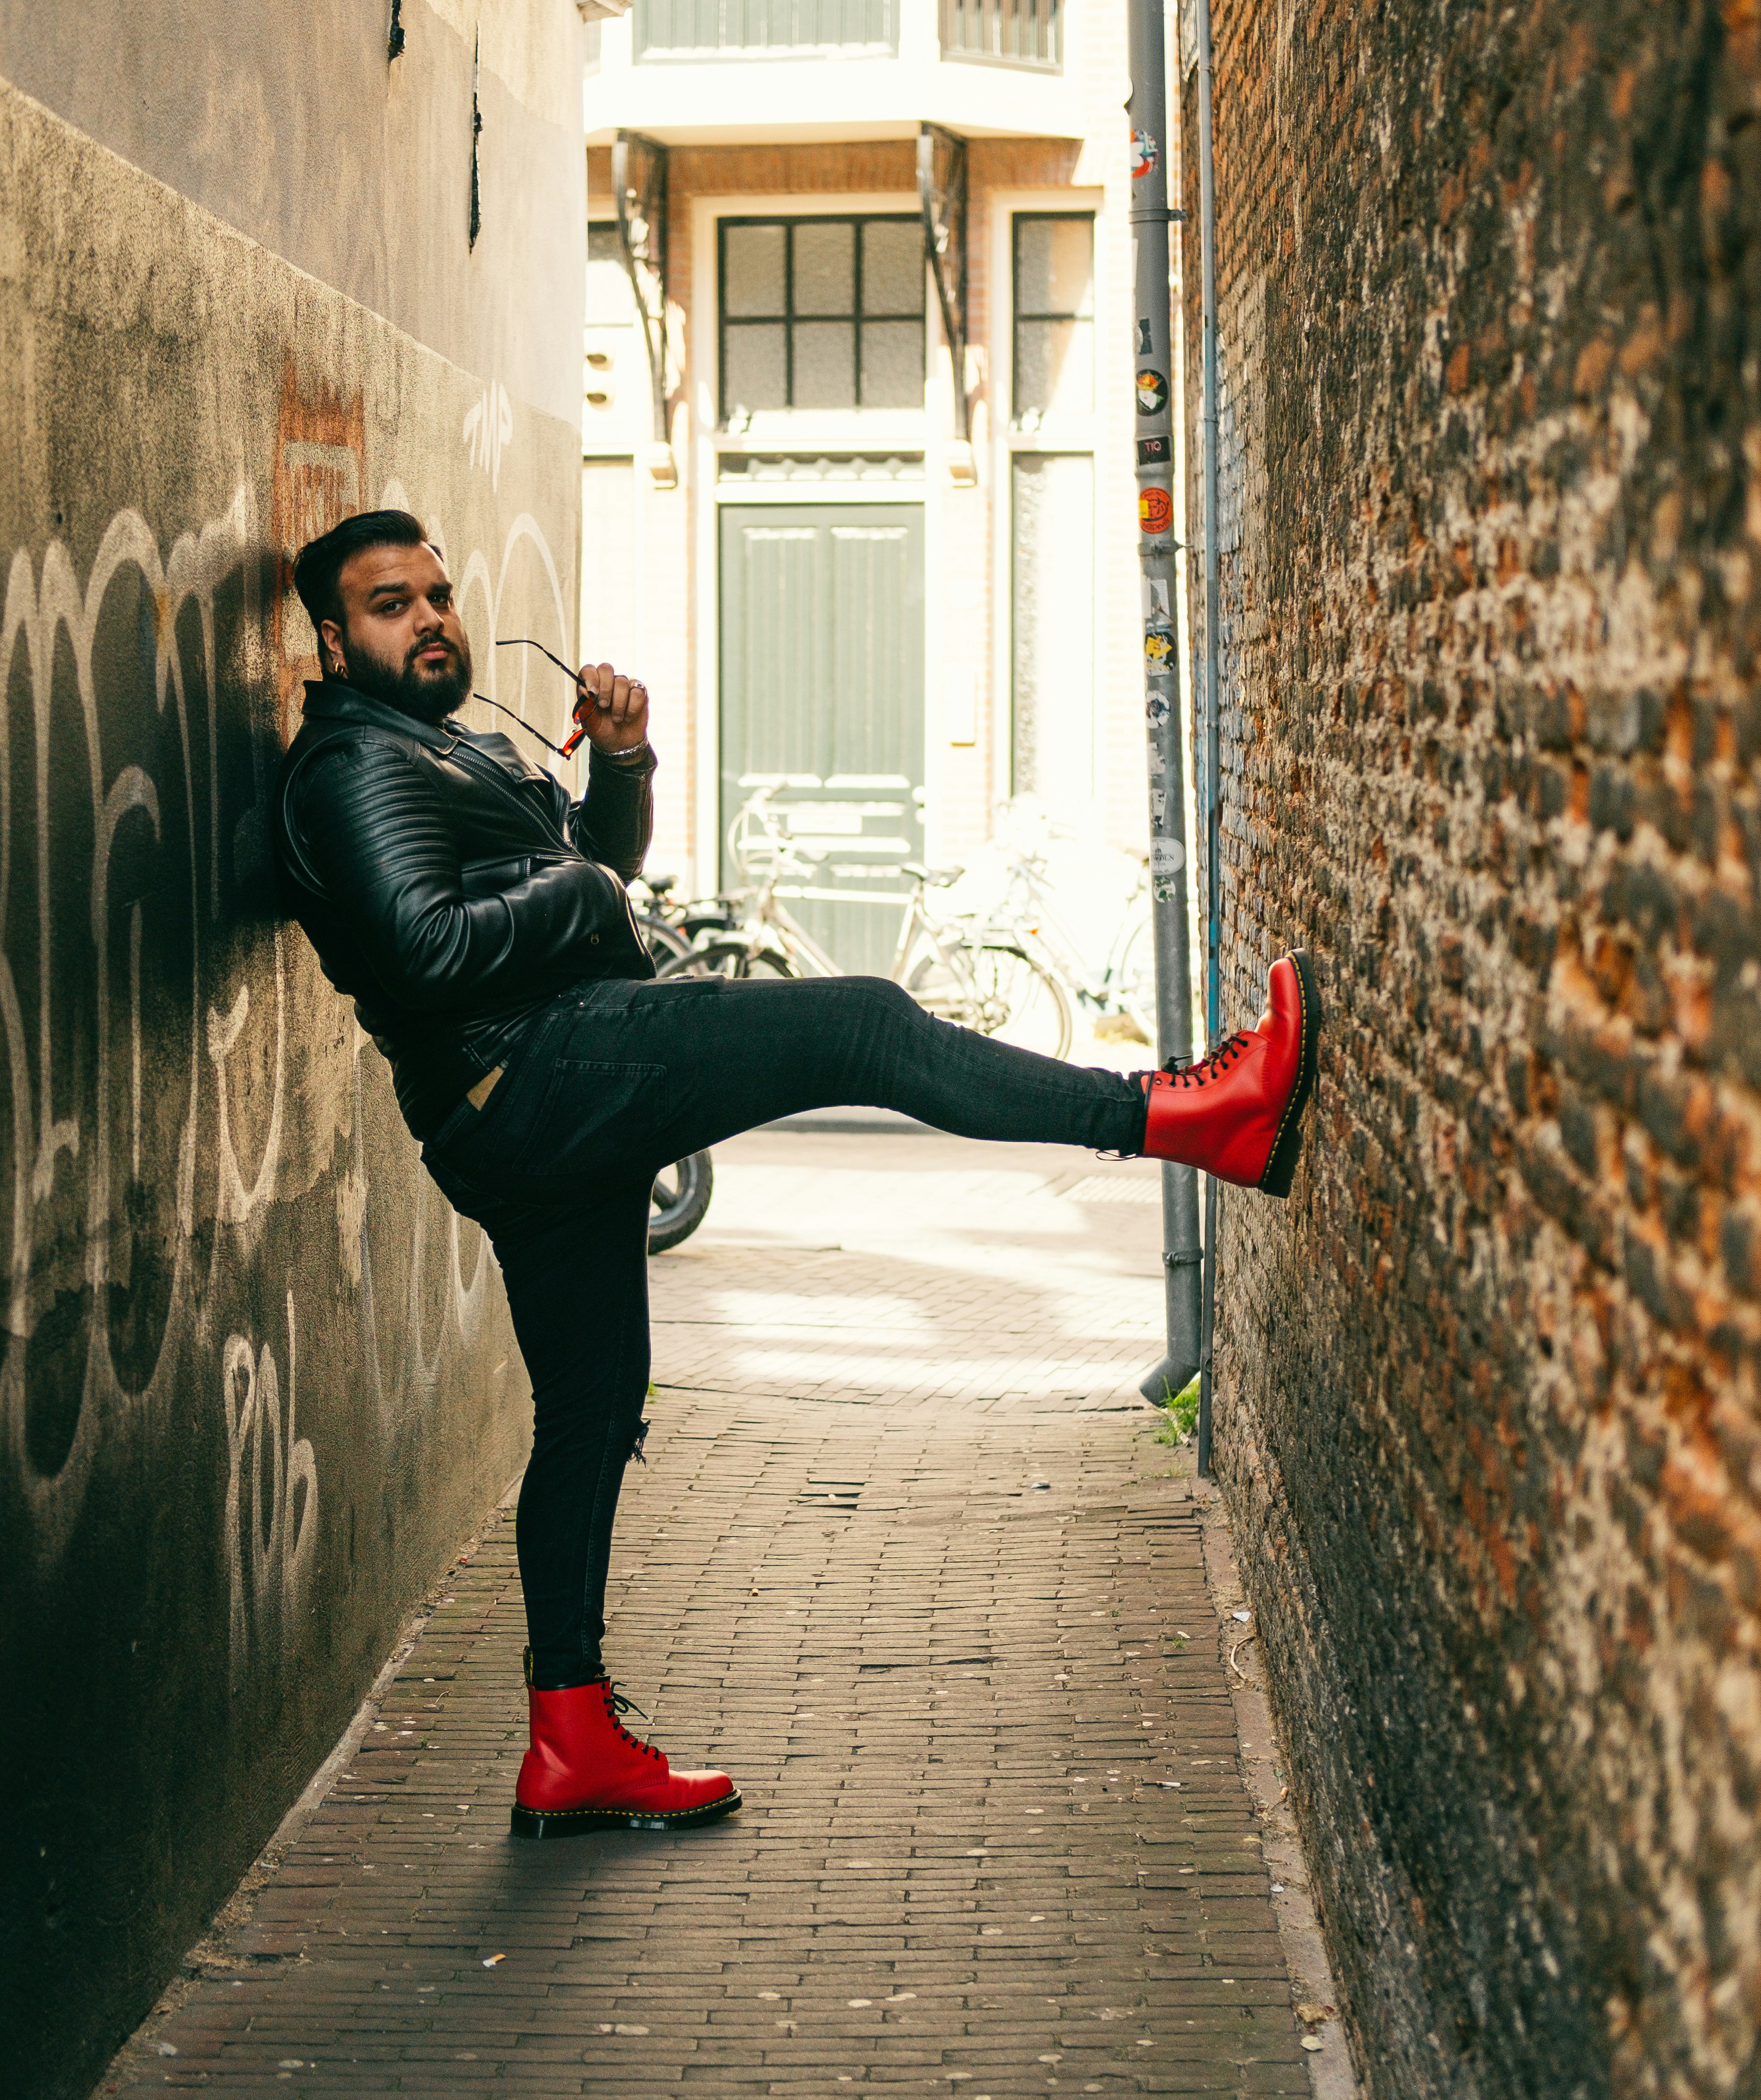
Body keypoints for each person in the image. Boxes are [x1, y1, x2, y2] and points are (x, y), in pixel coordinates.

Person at [274, 508, 1320, 1840]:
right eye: (387, 604)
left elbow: (599, 859)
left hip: (529, 1106)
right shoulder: (349, 769)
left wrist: (627, 761)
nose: (427, 618)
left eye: (434, 593)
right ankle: (1189, 1116)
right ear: (330, 633)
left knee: (592, 1411)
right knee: (864, 1022)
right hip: (536, 1076)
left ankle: (571, 1742)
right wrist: (584, 897)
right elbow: (426, 948)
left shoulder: (440, 739)